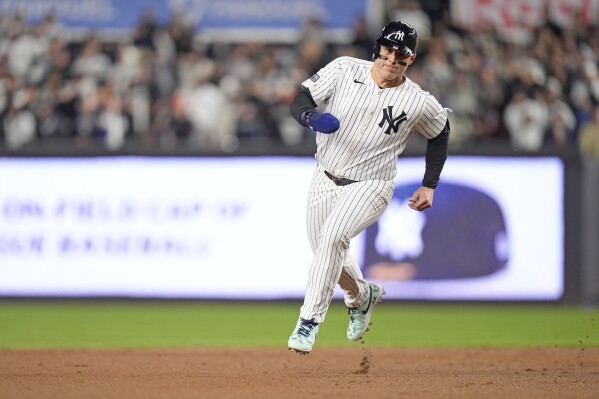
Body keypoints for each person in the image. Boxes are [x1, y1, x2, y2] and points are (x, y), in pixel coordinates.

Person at [287, 21, 451, 354]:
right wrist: (310, 117)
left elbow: (440, 132)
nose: (392, 59)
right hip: (325, 175)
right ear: (378, 48)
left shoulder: (417, 101)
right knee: (327, 253)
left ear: (411, 60)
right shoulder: (345, 68)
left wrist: (429, 184)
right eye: (388, 50)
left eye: (401, 55)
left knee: (333, 238)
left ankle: (308, 323)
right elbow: (302, 97)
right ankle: (362, 296)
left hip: (371, 184)